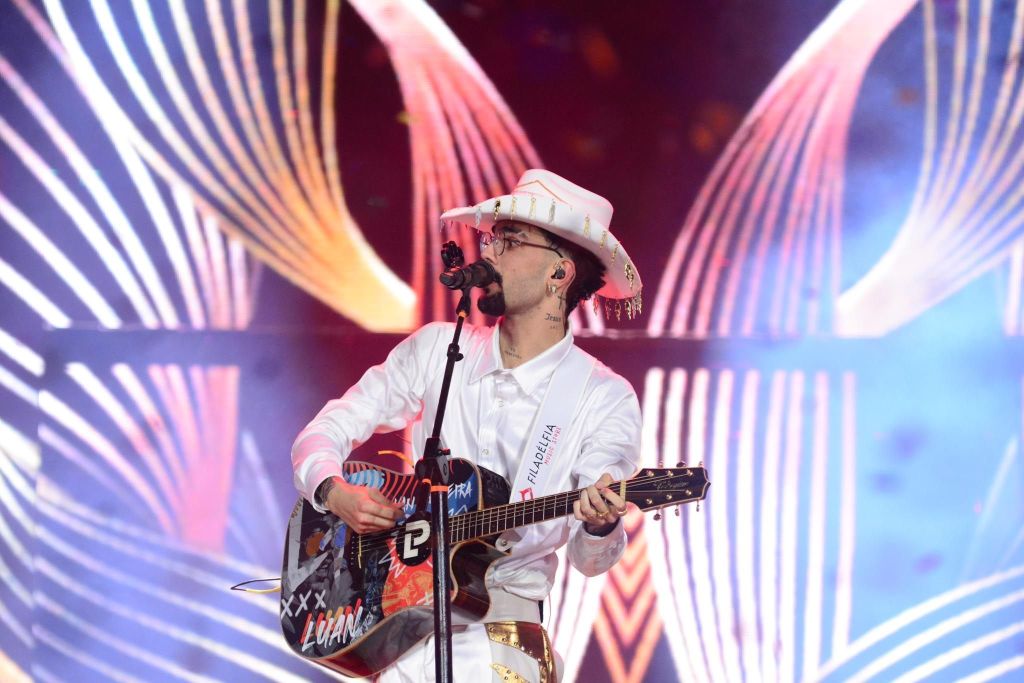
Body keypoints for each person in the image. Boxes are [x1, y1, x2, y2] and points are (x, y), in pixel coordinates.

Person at [291, 169, 645, 683]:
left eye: (509, 240)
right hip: (397, 628)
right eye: (490, 238)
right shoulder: (438, 350)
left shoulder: (603, 397)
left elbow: (591, 559)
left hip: (502, 639)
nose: (489, 254)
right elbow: (322, 433)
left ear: (559, 274)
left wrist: (601, 522)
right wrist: (332, 490)